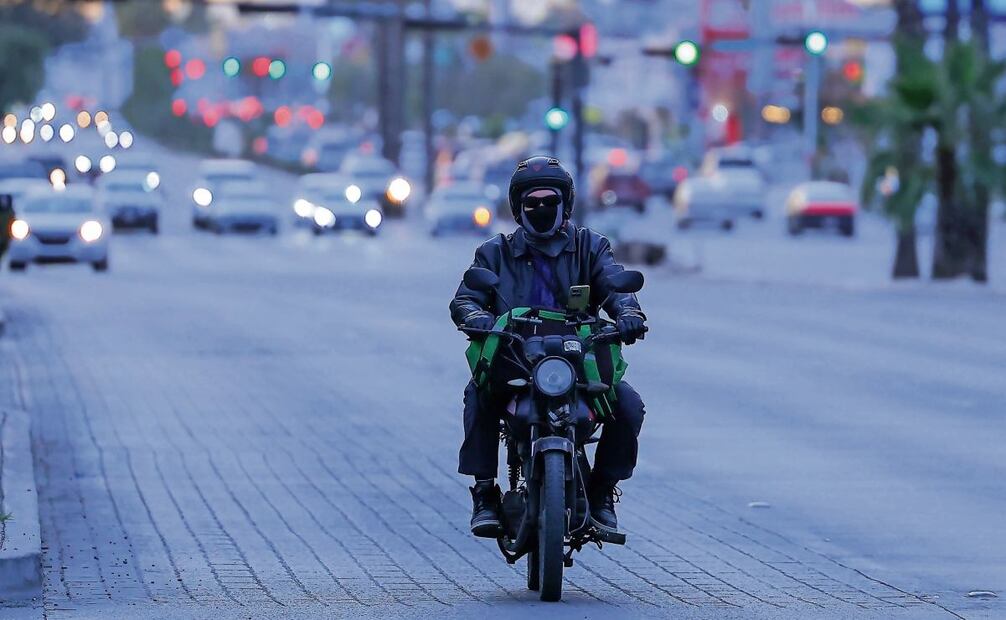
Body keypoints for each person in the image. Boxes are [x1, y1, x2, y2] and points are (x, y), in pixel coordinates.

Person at [450, 156, 648, 537]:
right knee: (478, 395)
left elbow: (615, 287)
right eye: (532, 202)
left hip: (578, 360)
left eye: (549, 201)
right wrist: (476, 318)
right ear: (517, 207)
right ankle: (484, 493)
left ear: (566, 204)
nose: (541, 209)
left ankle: (603, 492)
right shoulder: (495, 252)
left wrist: (628, 313)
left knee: (628, 405)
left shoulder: (591, 246)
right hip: (515, 359)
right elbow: (465, 298)